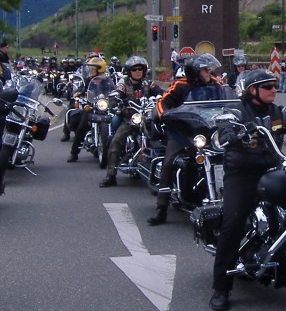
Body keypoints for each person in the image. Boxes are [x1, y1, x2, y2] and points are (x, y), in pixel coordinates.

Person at [209, 69, 286, 311]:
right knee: (233, 222)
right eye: (268, 87)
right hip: (242, 173)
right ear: (251, 90)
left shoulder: (278, 112)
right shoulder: (236, 111)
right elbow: (223, 130)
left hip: (274, 169)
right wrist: (231, 133)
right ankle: (221, 287)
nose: (274, 90)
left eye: (275, 86)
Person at [143, 53, 226, 223]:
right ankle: (161, 209)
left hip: (209, 131)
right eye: (204, 70)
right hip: (183, 132)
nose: (208, 73)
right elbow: (162, 102)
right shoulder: (180, 86)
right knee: (169, 162)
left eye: (208, 70)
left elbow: (230, 100)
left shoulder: (216, 84)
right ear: (194, 72)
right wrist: (165, 115)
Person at [100, 56, 165, 187]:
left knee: (163, 136)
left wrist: (163, 96)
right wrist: (115, 99)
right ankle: (111, 175)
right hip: (130, 118)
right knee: (116, 140)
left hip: (147, 118)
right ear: (129, 71)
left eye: (140, 69)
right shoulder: (124, 83)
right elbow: (117, 92)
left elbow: (161, 92)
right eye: (134, 69)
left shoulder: (147, 83)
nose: (137, 71)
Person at [66, 56, 108, 161]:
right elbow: (82, 88)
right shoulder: (88, 80)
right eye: (90, 68)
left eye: (93, 69)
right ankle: (74, 152)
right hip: (91, 106)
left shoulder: (107, 80)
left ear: (100, 69)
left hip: (104, 107)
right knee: (82, 126)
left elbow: (113, 90)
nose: (90, 71)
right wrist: (78, 93)